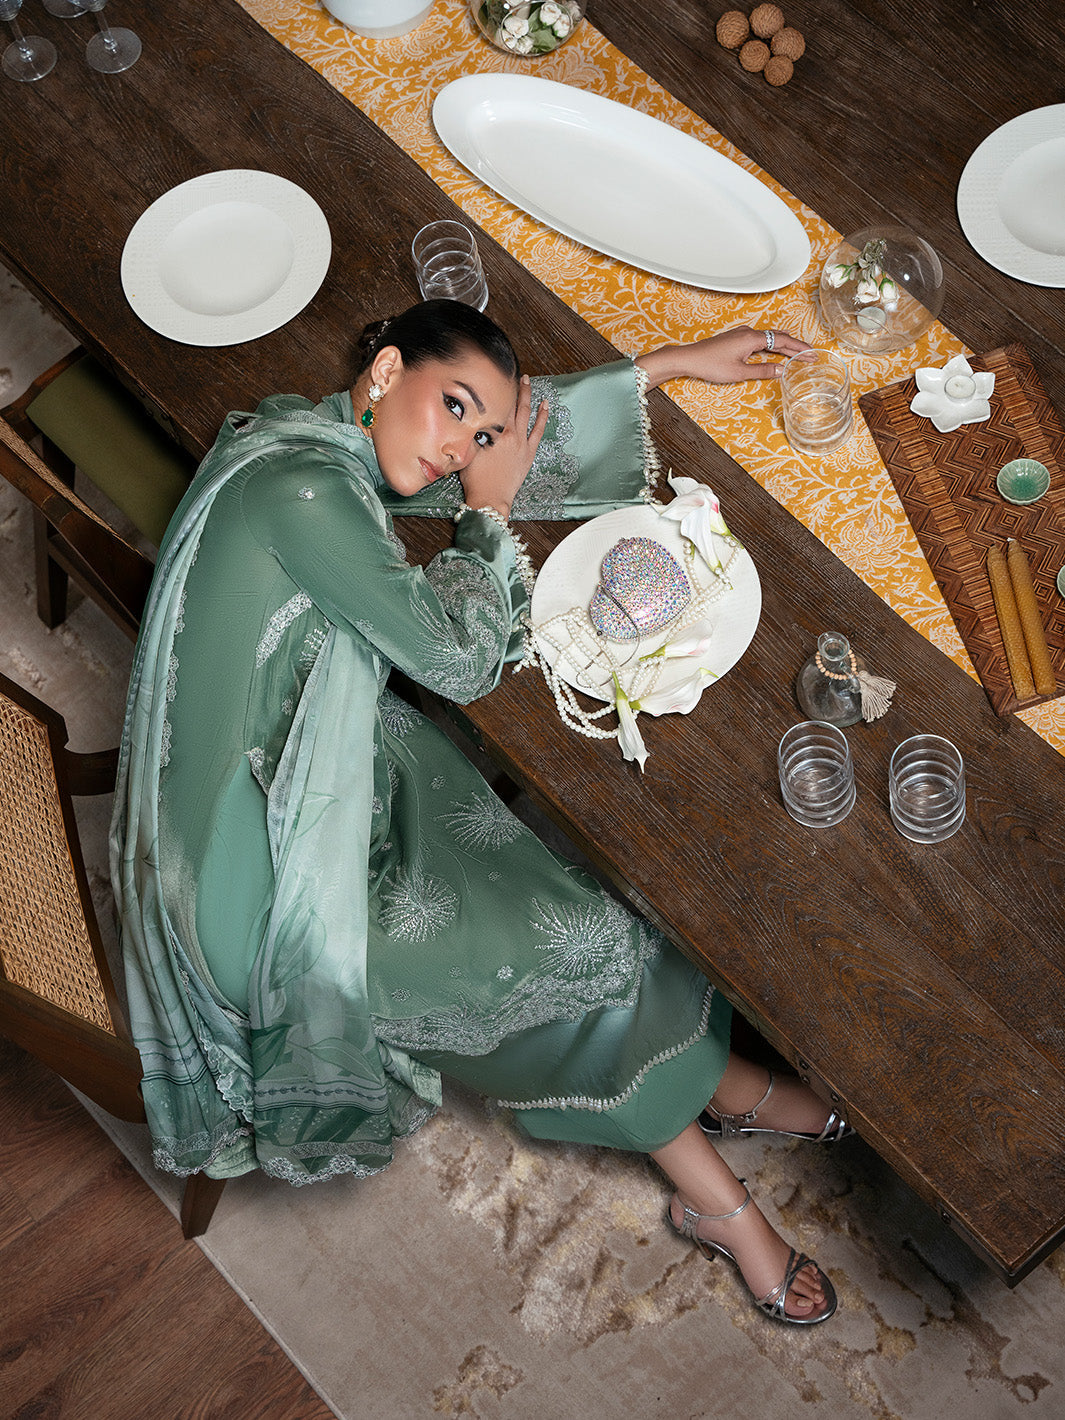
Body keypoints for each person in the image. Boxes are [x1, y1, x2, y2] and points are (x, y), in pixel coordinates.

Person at [111, 299, 843, 1325]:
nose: (459, 447)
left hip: (287, 770)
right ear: (385, 370)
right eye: (452, 407)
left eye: (478, 429)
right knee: (587, 940)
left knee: (561, 895)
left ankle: (716, 1089)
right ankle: (716, 1186)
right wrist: (485, 521)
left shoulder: (306, 434)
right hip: (255, 892)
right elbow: (457, 658)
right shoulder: (306, 491)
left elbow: (490, 451)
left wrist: (668, 365)